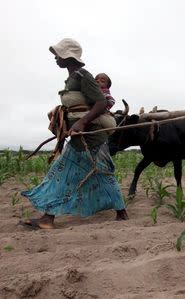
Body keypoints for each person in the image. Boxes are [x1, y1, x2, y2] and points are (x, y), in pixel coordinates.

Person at [20, 38, 128, 229]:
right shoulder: (72, 78)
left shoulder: (83, 76)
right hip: (85, 136)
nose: (55, 58)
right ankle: (121, 212)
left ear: (67, 56)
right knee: (101, 173)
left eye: (57, 55)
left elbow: (101, 102)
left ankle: (48, 218)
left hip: (91, 136)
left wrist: (82, 121)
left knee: (60, 173)